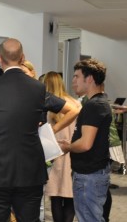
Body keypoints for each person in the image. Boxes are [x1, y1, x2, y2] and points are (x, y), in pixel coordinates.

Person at [0, 38, 47, 222]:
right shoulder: (39, 88)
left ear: (0, 59)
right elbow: (40, 120)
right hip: (30, 170)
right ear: (23, 58)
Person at [59, 59, 112, 222]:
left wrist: (67, 147)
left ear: (89, 79)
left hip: (89, 175)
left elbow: (85, 143)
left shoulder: (94, 105)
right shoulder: (99, 103)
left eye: (76, 76)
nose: (73, 81)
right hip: (93, 173)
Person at [44, 72, 80, 222]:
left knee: (56, 198)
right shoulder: (75, 103)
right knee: (70, 196)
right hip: (72, 153)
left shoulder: (48, 106)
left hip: (54, 156)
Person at [21, 60, 80, 133]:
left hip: (44, 141)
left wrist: (53, 130)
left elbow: (73, 111)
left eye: (24, 72)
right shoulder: (76, 102)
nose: (21, 77)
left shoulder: (43, 96)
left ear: (32, 73)